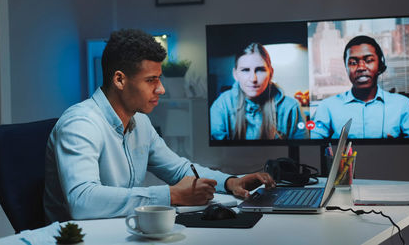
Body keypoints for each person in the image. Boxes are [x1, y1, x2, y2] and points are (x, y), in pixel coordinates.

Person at [44, 29, 275, 222]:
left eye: (159, 78)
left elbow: (179, 169)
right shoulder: (80, 124)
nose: (161, 89)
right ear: (119, 79)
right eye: (150, 80)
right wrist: (171, 195)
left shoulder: (140, 122)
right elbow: (82, 202)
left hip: (121, 231)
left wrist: (230, 182)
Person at [311, 35, 409, 139]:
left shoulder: (403, 105)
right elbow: (313, 149)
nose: (361, 67)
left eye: (369, 60)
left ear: (380, 65)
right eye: (353, 62)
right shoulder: (327, 107)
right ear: (346, 68)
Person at [210, 42, 306, 140]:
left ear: (271, 73)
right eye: (245, 70)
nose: (253, 79)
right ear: (235, 74)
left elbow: (303, 150)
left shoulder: (291, 108)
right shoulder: (221, 105)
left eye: (260, 70)